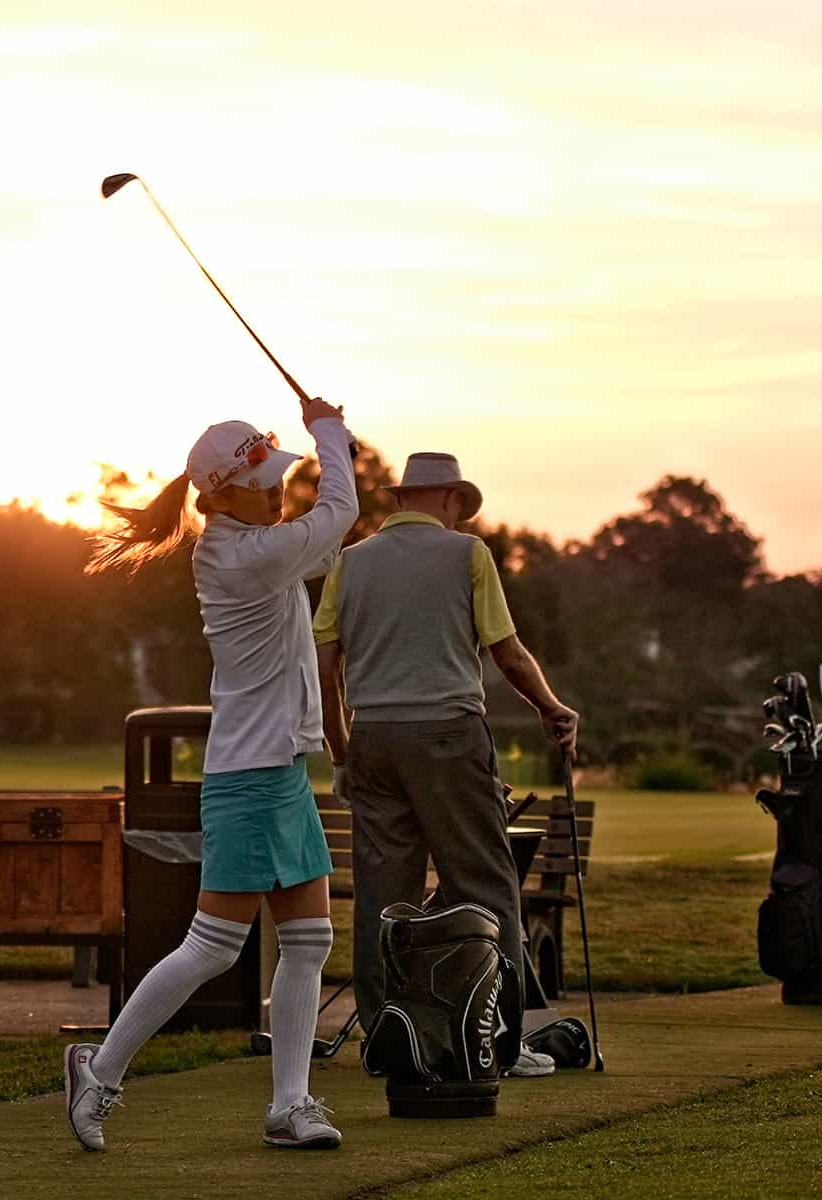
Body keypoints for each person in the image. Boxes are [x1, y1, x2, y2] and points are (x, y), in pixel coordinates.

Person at [65, 399, 358, 1152]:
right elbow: (339, 513)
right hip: (249, 777)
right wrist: (330, 432)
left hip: (280, 771)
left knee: (309, 940)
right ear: (220, 495)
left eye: (280, 479)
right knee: (213, 948)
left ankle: (290, 1106)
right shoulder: (242, 556)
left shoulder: (258, 544)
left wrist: (333, 447)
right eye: (265, 483)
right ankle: (98, 1070)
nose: (278, 492)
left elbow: (326, 542)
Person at [312, 451, 578, 1077]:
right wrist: (551, 707)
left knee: (384, 897)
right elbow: (508, 654)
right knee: (485, 883)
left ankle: (385, 1038)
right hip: (448, 735)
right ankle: (501, 1043)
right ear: (451, 498)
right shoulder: (468, 554)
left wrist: (342, 751)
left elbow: (325, 669)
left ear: (404, 497)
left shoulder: (350, 562)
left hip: (373, 738)